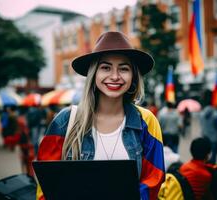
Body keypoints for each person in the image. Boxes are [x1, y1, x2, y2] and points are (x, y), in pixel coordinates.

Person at [36, 31, 165, 200]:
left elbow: (154, 182)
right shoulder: (64, 121)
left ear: (133, 76)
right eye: (105, 67)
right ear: (94, 73)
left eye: (124, 68)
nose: (115, 76)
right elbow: (45, 188)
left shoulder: (146, 121)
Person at [199, 99, 217, 164]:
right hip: (214, 138)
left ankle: (206, 167)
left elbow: (201, 124)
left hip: (205, 136)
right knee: (214, 155)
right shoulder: (216, 114)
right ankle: (213, 168)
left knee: (205, 154)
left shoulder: (201, 114)